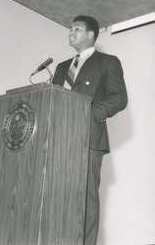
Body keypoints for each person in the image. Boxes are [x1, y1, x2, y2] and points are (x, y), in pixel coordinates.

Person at [52, 15, 128, 245]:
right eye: (70, 28)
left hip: (88, 138)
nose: (71, 32)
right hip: (57, 139)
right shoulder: (62, 67)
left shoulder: (107, 61)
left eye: (77, 29)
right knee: (58, 196)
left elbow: (119, 97)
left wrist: (90, 114)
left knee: (85, 200)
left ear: (91, 34)